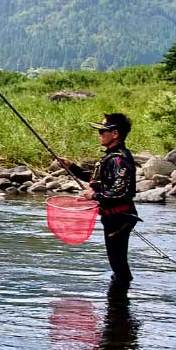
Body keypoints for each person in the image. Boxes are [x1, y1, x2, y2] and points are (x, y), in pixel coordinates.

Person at [60, 113, 139, 296]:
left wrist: (95, 195)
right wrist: (71, 166)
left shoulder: (119, 159)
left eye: (103, 131)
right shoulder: (111, 157)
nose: (100, 134)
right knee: (117, 262)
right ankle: (118, 307)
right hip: (115, 217)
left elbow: (122, 191)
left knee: (118, 264)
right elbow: (95, 179)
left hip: (120, 217)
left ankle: (119, 304)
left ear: (115, 134)